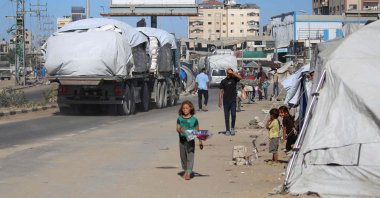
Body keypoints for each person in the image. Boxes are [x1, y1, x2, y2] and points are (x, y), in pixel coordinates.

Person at [176, 100, 203, 180]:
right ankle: (185, 170)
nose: (185, 110)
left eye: (186, 108)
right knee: (183, 157)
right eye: (183, 108)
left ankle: (188, 172)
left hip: (190, 141)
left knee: (190, 156)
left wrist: (200, 142)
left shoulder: (194, 119)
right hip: (182, 141)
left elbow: (198, 131)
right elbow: (177, 128)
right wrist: (180, 130)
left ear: (190, 108)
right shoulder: (179, 119)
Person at [218, 68, 242, 136]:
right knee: (226, 116)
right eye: (228, 72)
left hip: (233, 101)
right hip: (225, 101)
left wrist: (233, 73)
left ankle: (232, 128)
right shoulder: (223, 81)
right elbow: (221, 91)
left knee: (233, 115)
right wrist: (219, 101)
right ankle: (227, 130)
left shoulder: (234, 79)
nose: (229, 74)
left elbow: (240, 77)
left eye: (230, 73)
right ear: (226, 73)